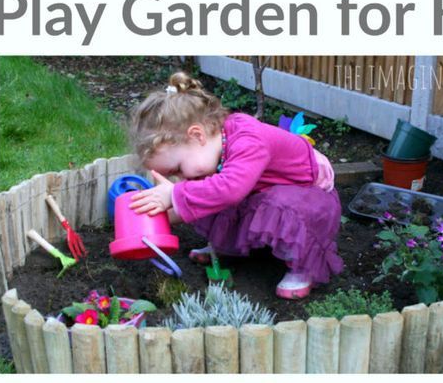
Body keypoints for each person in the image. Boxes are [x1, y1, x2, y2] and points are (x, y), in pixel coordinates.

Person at [129, 71, 344, 298]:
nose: (180, 178)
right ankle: (227, 247)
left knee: (261, 201)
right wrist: (156, 213)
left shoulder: (248, 141)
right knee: (202, 190)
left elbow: (231, 190)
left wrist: (174, 194)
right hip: (261, 186)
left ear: (197, 136)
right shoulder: (214, 146)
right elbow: (200, 197)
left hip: (306, 190)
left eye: (178, 169)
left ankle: (301, 265)